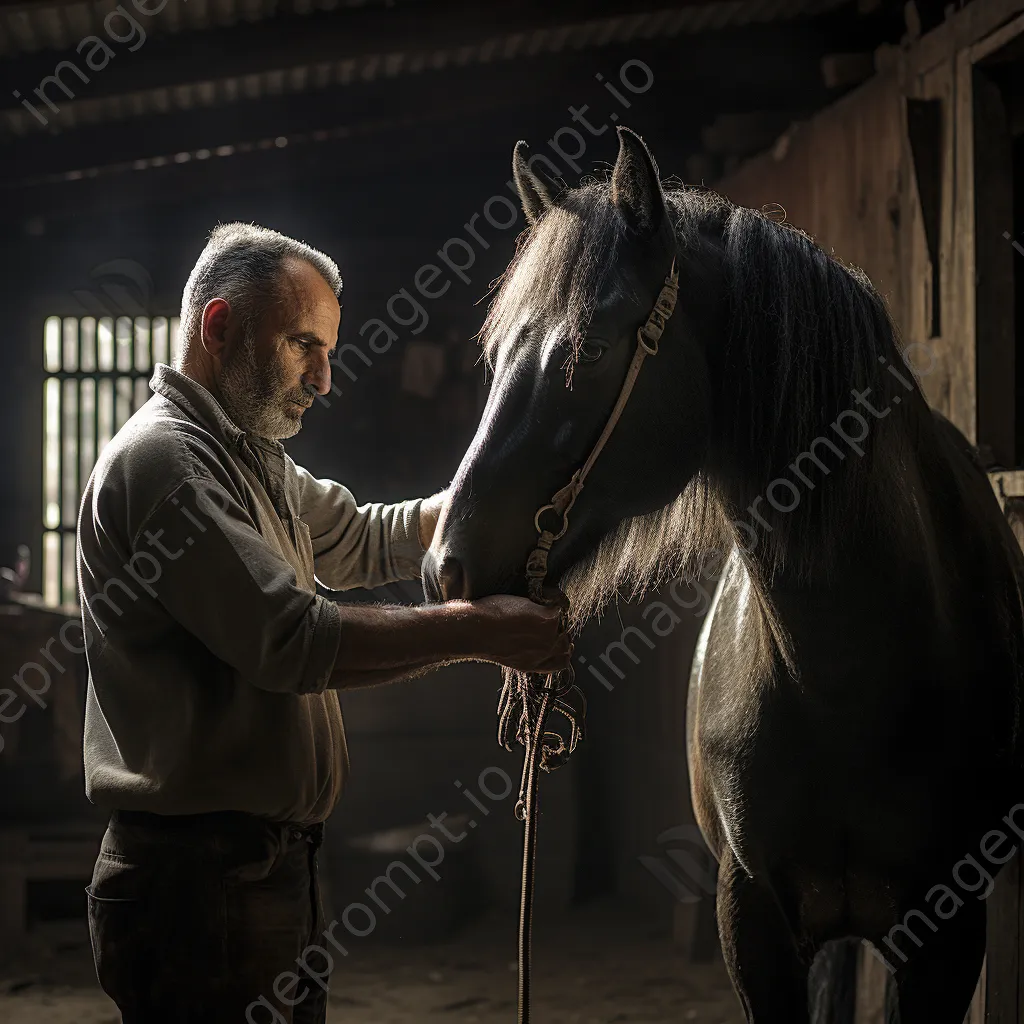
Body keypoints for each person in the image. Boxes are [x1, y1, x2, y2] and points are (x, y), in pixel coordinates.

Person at [77, 223, 570, 1022]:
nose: (325, 378)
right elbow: (294, 641)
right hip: (197, 885)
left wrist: (478, 511)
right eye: (304, 345)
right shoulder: (166, 465)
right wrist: (480, 629)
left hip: (260, 870)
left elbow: (355, 536)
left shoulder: (243, 454)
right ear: (219, 326)